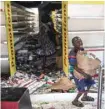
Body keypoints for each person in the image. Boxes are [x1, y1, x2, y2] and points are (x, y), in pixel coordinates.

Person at [69, 36, 95, 107]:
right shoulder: (72, 53)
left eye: (80, 41)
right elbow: (74, 66)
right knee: (82, 87)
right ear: (73, 44)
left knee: (89, 82)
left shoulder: (81, 49)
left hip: (83, 70)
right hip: (76, 72)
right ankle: (75, 100)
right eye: (77, 42)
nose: (80, 43)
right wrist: (84, 74)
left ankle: (85, 96)